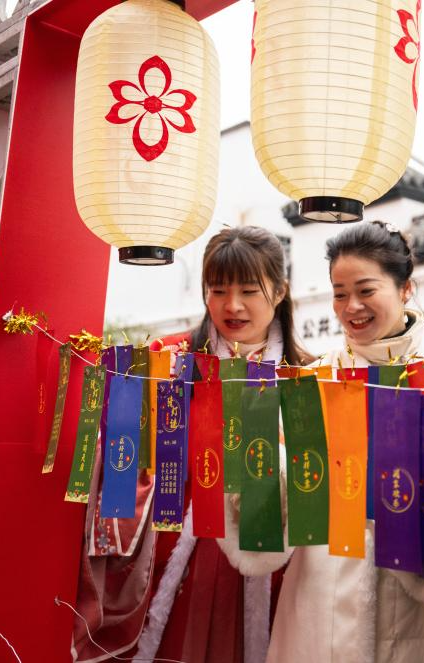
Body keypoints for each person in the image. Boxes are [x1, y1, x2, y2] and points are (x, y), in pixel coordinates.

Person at [215, 221, 424, 663]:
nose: (352, 307)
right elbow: (280, 502)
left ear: (405, 288)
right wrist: (258, 468)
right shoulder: (314, 378)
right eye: (339, 293)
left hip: (414, 593)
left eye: (366, 290)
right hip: (320, 594)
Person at [123, 225, 313, 663]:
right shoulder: (171, 363)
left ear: (280, 291)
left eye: (248, 290)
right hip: (183, 552)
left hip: (274, 559)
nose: (232, 305)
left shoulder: (307, 375)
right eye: (218, 289)